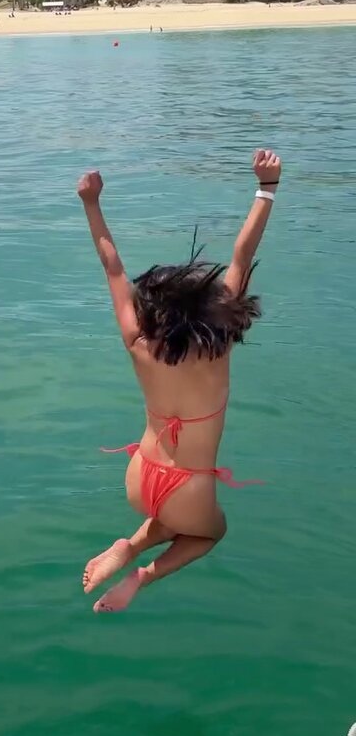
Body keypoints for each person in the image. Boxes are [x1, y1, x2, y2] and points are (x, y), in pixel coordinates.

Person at [77, 150, 281, 613]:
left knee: (174, 520)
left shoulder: (137, 341)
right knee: (210, 533)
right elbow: (243, 254)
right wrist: (266, 188)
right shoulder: (218, 344)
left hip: (140, 473)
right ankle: (141, 575)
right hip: (189, 486)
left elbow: (113, 267)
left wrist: (91, 202)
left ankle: (129, 545)